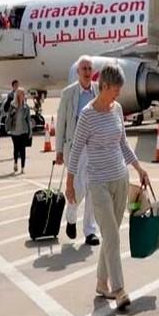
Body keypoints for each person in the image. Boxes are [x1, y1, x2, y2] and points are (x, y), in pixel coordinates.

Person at [67, 63, 150, 312]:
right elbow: (76, 150)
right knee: (111, 235)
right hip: (98, 182)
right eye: (115, 90)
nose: (117, 94)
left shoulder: (117, 110)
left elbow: (123, 144)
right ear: (103, 87)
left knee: (111, 236)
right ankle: (119, 289)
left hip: (120, 179)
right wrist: (70, 182)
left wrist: (139, 168)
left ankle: (102, 283)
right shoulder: (87, 115)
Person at [56, 56, 100, 245]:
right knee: (78, 188)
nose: (87, 72)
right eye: (84, 69)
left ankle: (90, 231)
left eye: (90, 68)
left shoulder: (98, 90)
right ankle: (72, 217)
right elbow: (61, 123)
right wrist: (58, 150)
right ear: (78, 72)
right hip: (75, 148)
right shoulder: (68, 94)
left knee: (93, 189)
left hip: (95, 148)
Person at [6, 87, 32, 174]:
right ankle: (15, 163)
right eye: (21, 94)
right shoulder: (13, 106)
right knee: (16, 148)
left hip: (23, 130)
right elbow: (9, 117)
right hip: (14, 131)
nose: (23, 96)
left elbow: (28, 120)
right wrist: (7, 127)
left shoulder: (26, 107)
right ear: (17, 95)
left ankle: (23, 167)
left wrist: (30, 131)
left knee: (23, 149)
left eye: (23, 94)